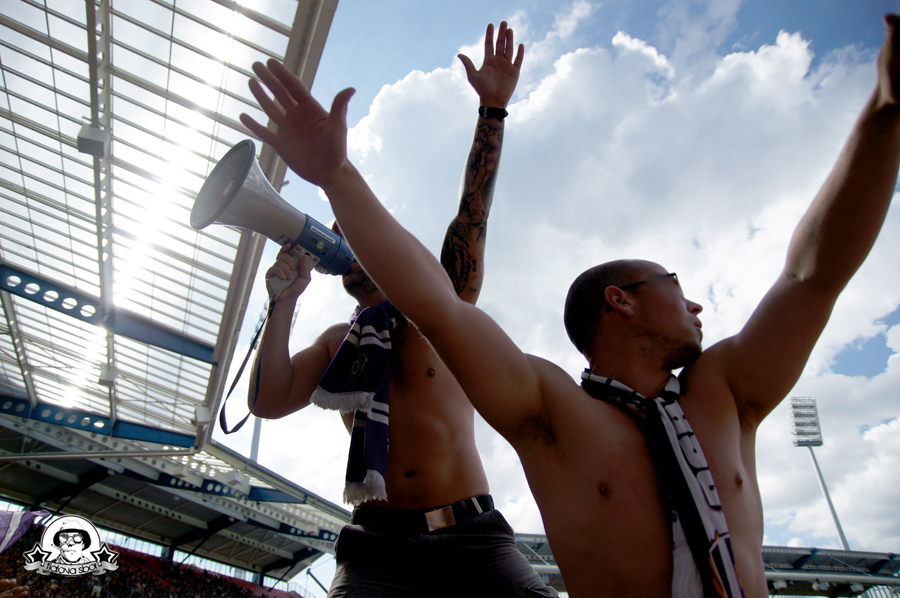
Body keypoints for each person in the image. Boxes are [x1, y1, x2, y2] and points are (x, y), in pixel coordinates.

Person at [240, 12, 900, 598]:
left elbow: (811, 277)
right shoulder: (536, 408)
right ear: (621, 302)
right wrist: (322, 209)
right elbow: (289, 388)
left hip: (470, 536)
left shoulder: (722, 393)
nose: (696, 303)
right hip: (378, 543)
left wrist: (886, 109)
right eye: (674, 282)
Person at [247, 22, 557, 598]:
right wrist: (282, 303)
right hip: (377, 548)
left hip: (472, 539)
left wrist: (492, 110)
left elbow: (473, 214)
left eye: (356, 235)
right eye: (337, 237)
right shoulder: (339, 343)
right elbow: (268, 401)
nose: (345, 243)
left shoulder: (440, 309)